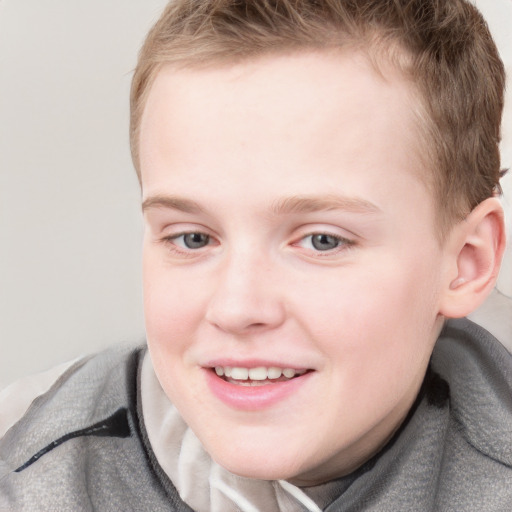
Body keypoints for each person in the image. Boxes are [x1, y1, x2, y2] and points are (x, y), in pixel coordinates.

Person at [1, 0, 511, 510]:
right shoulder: (22, 466)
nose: (237, 308)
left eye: (322, 240)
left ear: (467, 262)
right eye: (192, 238)